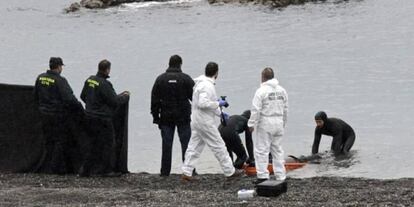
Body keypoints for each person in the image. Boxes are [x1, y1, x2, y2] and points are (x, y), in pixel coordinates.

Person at [181, 62, 243, 181]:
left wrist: (220, 113)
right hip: (205, 122)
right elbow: (203, 103)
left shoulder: (200, 84)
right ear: (216, 73)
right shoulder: (207, 86)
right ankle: (229, 171)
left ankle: (186, 171)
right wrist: (218, 103)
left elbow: (207, 104)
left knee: (194, 146)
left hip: (196, 120)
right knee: (219, 145)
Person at [79, 59, 130, 177]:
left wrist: (92, 106)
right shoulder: (105, 84)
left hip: (89, 116)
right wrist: (125, 96)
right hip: (102, 119)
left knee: (92, 144)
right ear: (107, 70)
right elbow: (115, 101)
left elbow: (83, 96)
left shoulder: (90, 80)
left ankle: (85, 170)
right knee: (108, 144)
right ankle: (106, 170)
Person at [33, 57, 83, 174]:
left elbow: (35, 95)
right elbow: (69, 99)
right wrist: (80, 108)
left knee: (48, 141)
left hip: (43, 114)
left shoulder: (40, 78)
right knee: (59, 141)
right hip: (57, 115)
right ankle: (56, 168)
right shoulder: (60, 80)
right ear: (59, 67)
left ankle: (46, 166)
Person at [151, 55, 195, 177]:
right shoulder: (186, 79)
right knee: (186, 144)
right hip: (183, 117)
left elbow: (154, 100)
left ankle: (165, 172)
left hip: (166, 117)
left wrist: (156, 117)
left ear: (169, 64)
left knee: (167, 145)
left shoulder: (160, 79)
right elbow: (195, 99)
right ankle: (189, 170)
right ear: (180, 64)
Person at [248, 67, 288, 183]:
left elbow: (256, 109)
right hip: (279, 121)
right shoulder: (282, 91)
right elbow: (286, 109)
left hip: (266, 122)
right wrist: (284, 122)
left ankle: (262, 176)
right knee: (277, 150)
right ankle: (281, 175)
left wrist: (251, 123)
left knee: (262, 150)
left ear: (262, 77)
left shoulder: (261, 91)